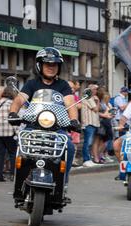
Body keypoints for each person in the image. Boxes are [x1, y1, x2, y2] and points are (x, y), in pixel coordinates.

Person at [8, 47, 79, 182]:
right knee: (20, 145)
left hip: (57, 128)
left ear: (59, 67)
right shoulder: (32, 84)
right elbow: (19, 99)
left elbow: (70, 104)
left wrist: (74, 120)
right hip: (33, 126)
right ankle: (20, 180)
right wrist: (13, 112)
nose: (51, 67)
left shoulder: (63, 85)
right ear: (40, 65)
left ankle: (62, 181)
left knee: (69, 147)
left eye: (54, 64)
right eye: (47, 64)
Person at [0, 87, 18, 182]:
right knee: (12, 153)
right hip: (9, 132)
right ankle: (12, 174)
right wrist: (17, 131)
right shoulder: (12, 103)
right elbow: (13, 119)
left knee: (0, 154)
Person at [81, 84, 101, 167]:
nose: (95, 91)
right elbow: (96, 109)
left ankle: (88, 159)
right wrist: (98, 101)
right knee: (87, 142)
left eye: (96, 90)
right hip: (88, 123)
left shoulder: (92, 98)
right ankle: (86, 160)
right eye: (94, 89)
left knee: (90, 142)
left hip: (93, 123)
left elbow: (97, 109)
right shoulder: (88, 97)